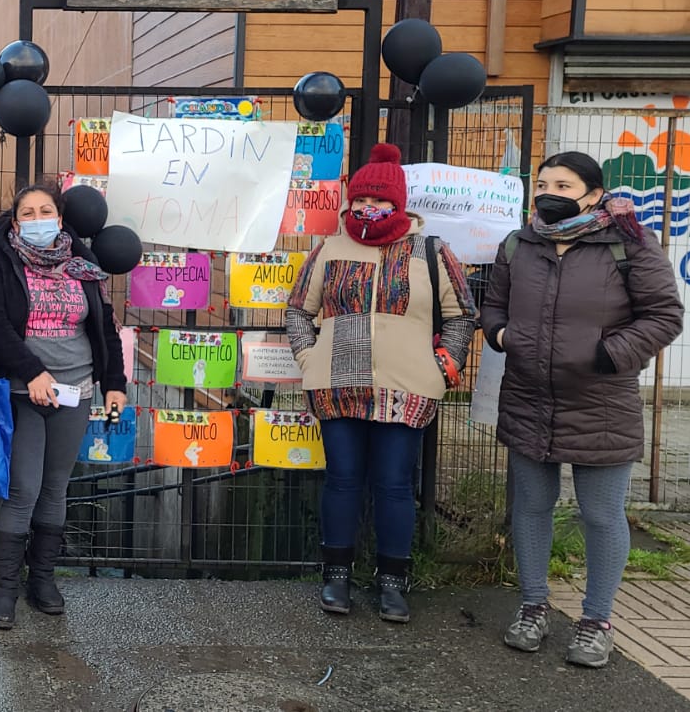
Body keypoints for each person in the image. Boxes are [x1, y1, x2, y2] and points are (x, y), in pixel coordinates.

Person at [483, 151, 683, 668]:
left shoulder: (630, 244)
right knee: (530, 507)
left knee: (600, 514)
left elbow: (664, 315)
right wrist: (503, 335)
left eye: (564, 184)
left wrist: (608, 354)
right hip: (529, 397)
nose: (549, 191)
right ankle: (532, 607)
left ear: (593, 194)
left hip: (601, 404)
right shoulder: (518, 244)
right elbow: (494, 306)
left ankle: (596, 621)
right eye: (544, 182)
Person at [285, 143, 476, 625]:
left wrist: (443, 367)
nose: (369, 208)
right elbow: (298, 310)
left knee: (393, 485)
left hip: (407, 385)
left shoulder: (430, 250)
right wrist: (309, 359)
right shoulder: (330, 248)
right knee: (343, 480)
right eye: (362, 200)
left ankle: (393, 582)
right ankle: (337, 576)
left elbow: (462, 316)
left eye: (380, 201)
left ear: (400, 204)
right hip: (337, 381)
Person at [0, 181, 127, 630]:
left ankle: (41, 581)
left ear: (60, 219)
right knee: (23, 488)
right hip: (23, 393)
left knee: (56, 488)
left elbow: (105, 327)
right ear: (15, 221)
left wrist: (113, 383)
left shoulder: (84, 265)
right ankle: (4, 588)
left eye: (46, 211)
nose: (37, 219)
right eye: (28, 212)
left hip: (76, 389)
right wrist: (32, 372)